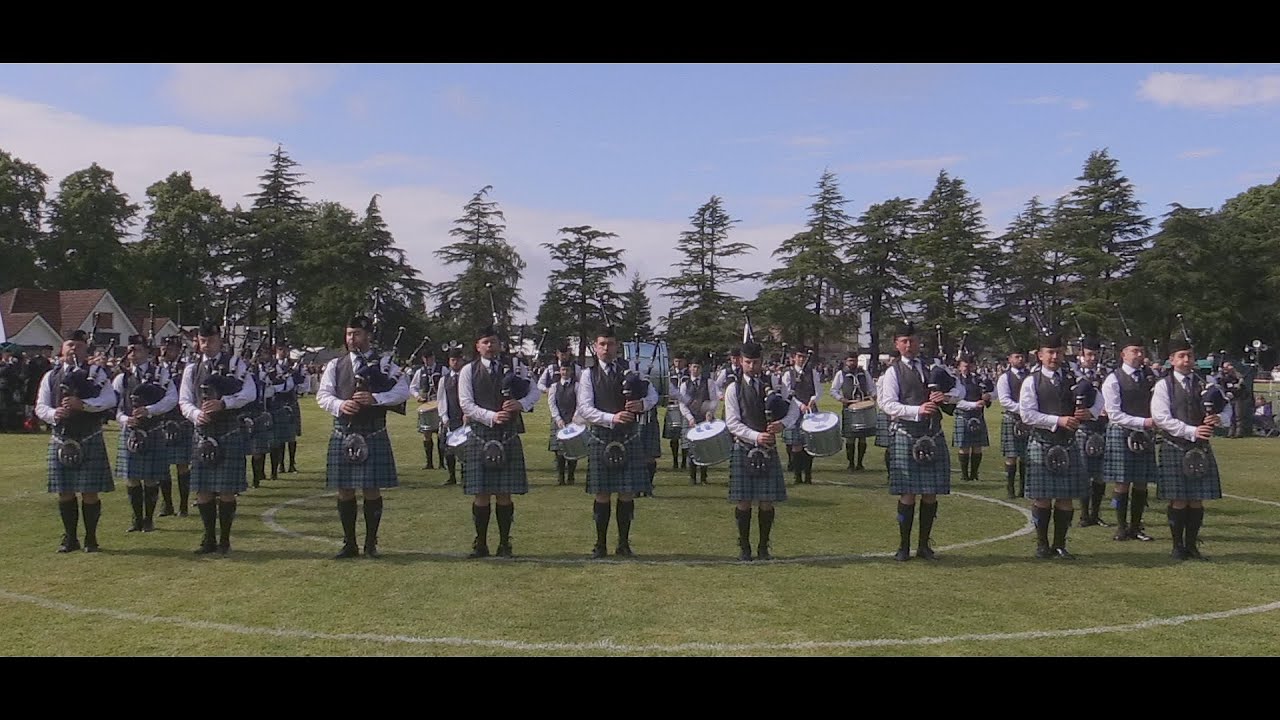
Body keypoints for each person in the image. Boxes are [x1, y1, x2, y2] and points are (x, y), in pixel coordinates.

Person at [315, 315, 411, 559]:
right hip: (344, 430)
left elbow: (402, 392)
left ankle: (370, 544)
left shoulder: (386, 364)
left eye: (356, 334)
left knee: (371, 489)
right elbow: (323, 395)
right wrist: (340, 405)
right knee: (344, 489)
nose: (351, 338)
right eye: (348, 334)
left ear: (369, 335)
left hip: (373, 430)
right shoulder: (336, 365)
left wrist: (376, 399)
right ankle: (349, 543)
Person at [878, 322, 964, 561]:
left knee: (931, 493)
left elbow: (960, 390)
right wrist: (917, 410)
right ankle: (903, 547)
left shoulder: (934, 367)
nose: (909, 345)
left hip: (933, 435)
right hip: (907, 433)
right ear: (897, 344)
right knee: (908, 493)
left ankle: (924, 545)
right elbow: (886, 404)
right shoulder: (892, 372)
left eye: (912, 340)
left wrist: (945, 396)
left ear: (918, 342)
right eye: (904, 341)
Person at [456, 324, 542, 558]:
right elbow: (466, 403)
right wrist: (492, 416)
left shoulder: (515, 366)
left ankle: (505, 543)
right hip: (481, 434)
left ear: (500, 344)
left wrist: (521, 405)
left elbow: (535, 392)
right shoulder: (468, 371)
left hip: (508, 435)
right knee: (481, 493)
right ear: (478, 346)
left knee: (505, 493)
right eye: (486, 342)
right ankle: (481, 543)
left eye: (494, 342)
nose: (490, 346)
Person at [577, 325, 659, 558]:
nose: (606, 348)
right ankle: (600, 544)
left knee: (627, 492)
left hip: (629, 436)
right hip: (602, 436)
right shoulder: (588, 375)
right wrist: (612, 418)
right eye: (602, 344)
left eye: (610, 344)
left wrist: (641, 405)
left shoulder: (631, 370)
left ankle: (623, 544)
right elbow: (585, 408)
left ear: (617, 346)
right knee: (602, 493)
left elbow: (652, 395)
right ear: (595, 347)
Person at [1018, 332, 1102, 559]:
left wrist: (1090, 413)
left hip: (1068, 443)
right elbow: (1027, 415)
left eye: (1058, 352)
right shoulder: (1031, 381)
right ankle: (1042, 544)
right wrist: (1059, 420)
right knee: (1042, 497)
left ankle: (1060, 545)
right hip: (1043, 441)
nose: (1054, 357)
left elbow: (1099, 399)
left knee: (1066, 497)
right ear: (1040, 355)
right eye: (1050, 353)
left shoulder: (1073, 379)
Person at [178, 320, 257, 555]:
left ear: (220, 341)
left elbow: (250, 393)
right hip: (203, 432)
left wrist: (224, 403)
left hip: (227, 431)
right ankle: (208, 538)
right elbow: (184, 401)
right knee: (203, 490)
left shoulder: (236, 364)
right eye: (202, 341)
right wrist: (195, 415)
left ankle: (224, 539)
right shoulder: (192, 369)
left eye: (211, 341)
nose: (206, 345)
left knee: (225, 490)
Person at [36, 330, 118, 552]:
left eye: (79, 346)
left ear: (86, 349)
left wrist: (84, 405)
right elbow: (40, 406)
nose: (74, 349)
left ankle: (91, 538)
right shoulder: (50, 376)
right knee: (64, 491)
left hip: (88, 435)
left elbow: (109, 399)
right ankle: (70, 538)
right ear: (62, 348)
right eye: (70, 345)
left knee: (89, 491)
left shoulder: (97, 373)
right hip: (61, 437)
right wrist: (54, 414)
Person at [724, 340, 801, 560]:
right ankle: (744, 547)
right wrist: (757, 436)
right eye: (747, 362)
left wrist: (782, 424)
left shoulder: (775, 383)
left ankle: (763, 547)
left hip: (768, 448)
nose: (752, 366)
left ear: (761, 361)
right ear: (740, 361)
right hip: (745, 446)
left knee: (767, 501)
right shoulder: (734, 388)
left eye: (756, 362)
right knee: (744, 500)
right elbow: (732, 423)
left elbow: (794, 409)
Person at [1153, 338, 1222, 560]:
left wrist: (1218, 418)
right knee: (1178, 498)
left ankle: (1192, 545)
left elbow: (1225, 408)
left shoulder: (1206, 383)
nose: (1186, 360)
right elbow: (1161, 418)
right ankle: (1177, 546)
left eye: (1189, 356)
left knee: (1196, 499)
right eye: (1181, 356)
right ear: (1171, 360)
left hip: (1200, 448)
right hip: (1175, 445)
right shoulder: (1164, 385)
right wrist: (1191, 431)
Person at [112, 334, 179, 533]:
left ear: (148, 353)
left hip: (153, 429)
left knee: (150, 477)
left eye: (138, 349)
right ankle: (136, 519)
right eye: (130, 349)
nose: (133, 353)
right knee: (132, 477)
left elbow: (172, 399)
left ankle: (149, 519)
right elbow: (114, 406)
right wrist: (125, 419)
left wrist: (149, 410)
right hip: (130, 430)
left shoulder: (161, 373)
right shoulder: (121, 378)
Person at [1101, 337, 1160, 542]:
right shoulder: (1113, 379)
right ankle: (1121, 527)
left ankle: (1136, 527)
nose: (1139, 355)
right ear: (1123, 354)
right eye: (1134, 351)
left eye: (1141, 351)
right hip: (1122, 432)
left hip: (1144, 433)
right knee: (1122, 482)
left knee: (1142, 482)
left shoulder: (1150, 377)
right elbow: (1114, 414)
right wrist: (1144, 422)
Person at [1074, 336, 1111, 528]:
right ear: (1081, 355)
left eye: (1095, 355)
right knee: (1083, 473)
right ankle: (1083, 514)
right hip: (1082, 426)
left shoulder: (1106, 374)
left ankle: (1095, 514)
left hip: (1102, 425)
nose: (1093, 358)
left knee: (1100, 474)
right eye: (1089, 354)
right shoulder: (1074, 373)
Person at [157, 336, 193, 517]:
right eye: (164, 347)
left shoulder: (186, 369)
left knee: (182, 465)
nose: (165, 351)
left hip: (180, 420)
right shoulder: (155, 370)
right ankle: (167, 504)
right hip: (162, 421)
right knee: (163, 466)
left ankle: (184, 505)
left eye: (170, 348)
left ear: (179, 350)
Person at [781, 347, 823, 484]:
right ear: (794, 358)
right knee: (796, 445)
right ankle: (797, 476)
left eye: (804, 357)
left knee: (810, 444)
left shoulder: (812, 372)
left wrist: (812, 400)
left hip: (811, 410)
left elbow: (818, 390)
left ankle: (808, 476)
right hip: (795, 411)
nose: (802, 359)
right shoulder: (788, 374)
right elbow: (787, 394)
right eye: (799, 356)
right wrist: (800, 405)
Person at [830, 351, 875, 472]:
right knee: (850, 437)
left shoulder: (864, 373)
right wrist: (841, 399)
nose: (852, 363)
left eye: (854, 360)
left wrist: (873, 396)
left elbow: (871, 388)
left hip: (863, 407)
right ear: (846, 361)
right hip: (849, 407)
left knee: (862, 437)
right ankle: (850, 463)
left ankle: (860, 463)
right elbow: (833, 390)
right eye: (850, 360)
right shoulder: (841, 374)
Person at [678, 355, 720, 485]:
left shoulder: (709, 383)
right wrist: (690, 418)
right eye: (694, 367)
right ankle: (692, 477)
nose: (696, 369)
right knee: (691, 448)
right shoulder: (685, 385)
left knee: (704, 448)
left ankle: (703, 477)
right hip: (690, 418)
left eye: (698, 367)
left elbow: (714, 400)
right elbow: (682, 404)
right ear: (690, 368)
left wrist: (710, 412)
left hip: (704, 418)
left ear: (701, 369)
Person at [951, 354, 991, 482]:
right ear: (959, 367)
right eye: (964, 366)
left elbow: (990, 392)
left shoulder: (978, 380)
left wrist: (987, 397)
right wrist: (974, 404)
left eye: (969, 366)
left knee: (977, 446)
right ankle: (964, 474)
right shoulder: (955, 381)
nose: (966, 368)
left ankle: (974, 474)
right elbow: (956, 401)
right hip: (963, 415)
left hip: (978, 415)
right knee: (964, 446)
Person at [996, 349, 1031, 498]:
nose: (1020, 359)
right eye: (1017, 357)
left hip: (1028, 420)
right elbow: (1004, 400)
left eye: (1022, 356)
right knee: (1012, 455)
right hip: (1012, 418)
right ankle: (1010, 488)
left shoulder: (1031, 377)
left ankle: (1023, 488)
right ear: (1010, 359)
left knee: (1026, 456)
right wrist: (1023, 409)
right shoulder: (1005, 378)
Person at [435, 347, 466, 486]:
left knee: (465, 448)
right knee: (449, 448)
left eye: (458, 360)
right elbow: (441, 399)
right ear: (449, 361)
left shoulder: (468, 377)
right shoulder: (444, 379)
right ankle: (452, 476)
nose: (455, 362)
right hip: (451, 417)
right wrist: (444, 416)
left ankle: (466, 476)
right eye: (453, 360)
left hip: (465, 417)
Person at [547, 360, 581, 485]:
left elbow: (580, 403)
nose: (565, 372)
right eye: (563, 370)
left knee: (573, 449)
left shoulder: (577, 386)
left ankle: (571, 477)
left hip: (574, 421)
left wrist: (575, 418)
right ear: (560, 371)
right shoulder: (554, 387)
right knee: (559, 451)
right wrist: (558, 418)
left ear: (571, 371)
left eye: (567, 370)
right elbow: (552, 404)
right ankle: (560, 477)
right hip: (559, 421)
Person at [410, 349, 443, 470]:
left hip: (440, 405)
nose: (427, 360)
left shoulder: (442, 369)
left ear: (433, 357)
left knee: (441, 434)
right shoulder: (420, 371)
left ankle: (441, 463)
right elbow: (413, 387)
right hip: (426, 405)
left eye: (429, 358)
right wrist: (417, 396)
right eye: (425, 358)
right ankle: (429, 463)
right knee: (426, 433)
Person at [662, 354, 690, 470]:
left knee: (685, 435)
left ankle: (684, 461)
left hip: (686, 406)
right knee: (674, 435)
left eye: (680, 361)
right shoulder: (668, 373)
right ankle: (675, 461)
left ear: (684, 361)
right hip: (673, 406)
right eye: (676, 361)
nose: (678, 363)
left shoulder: (688, 374)